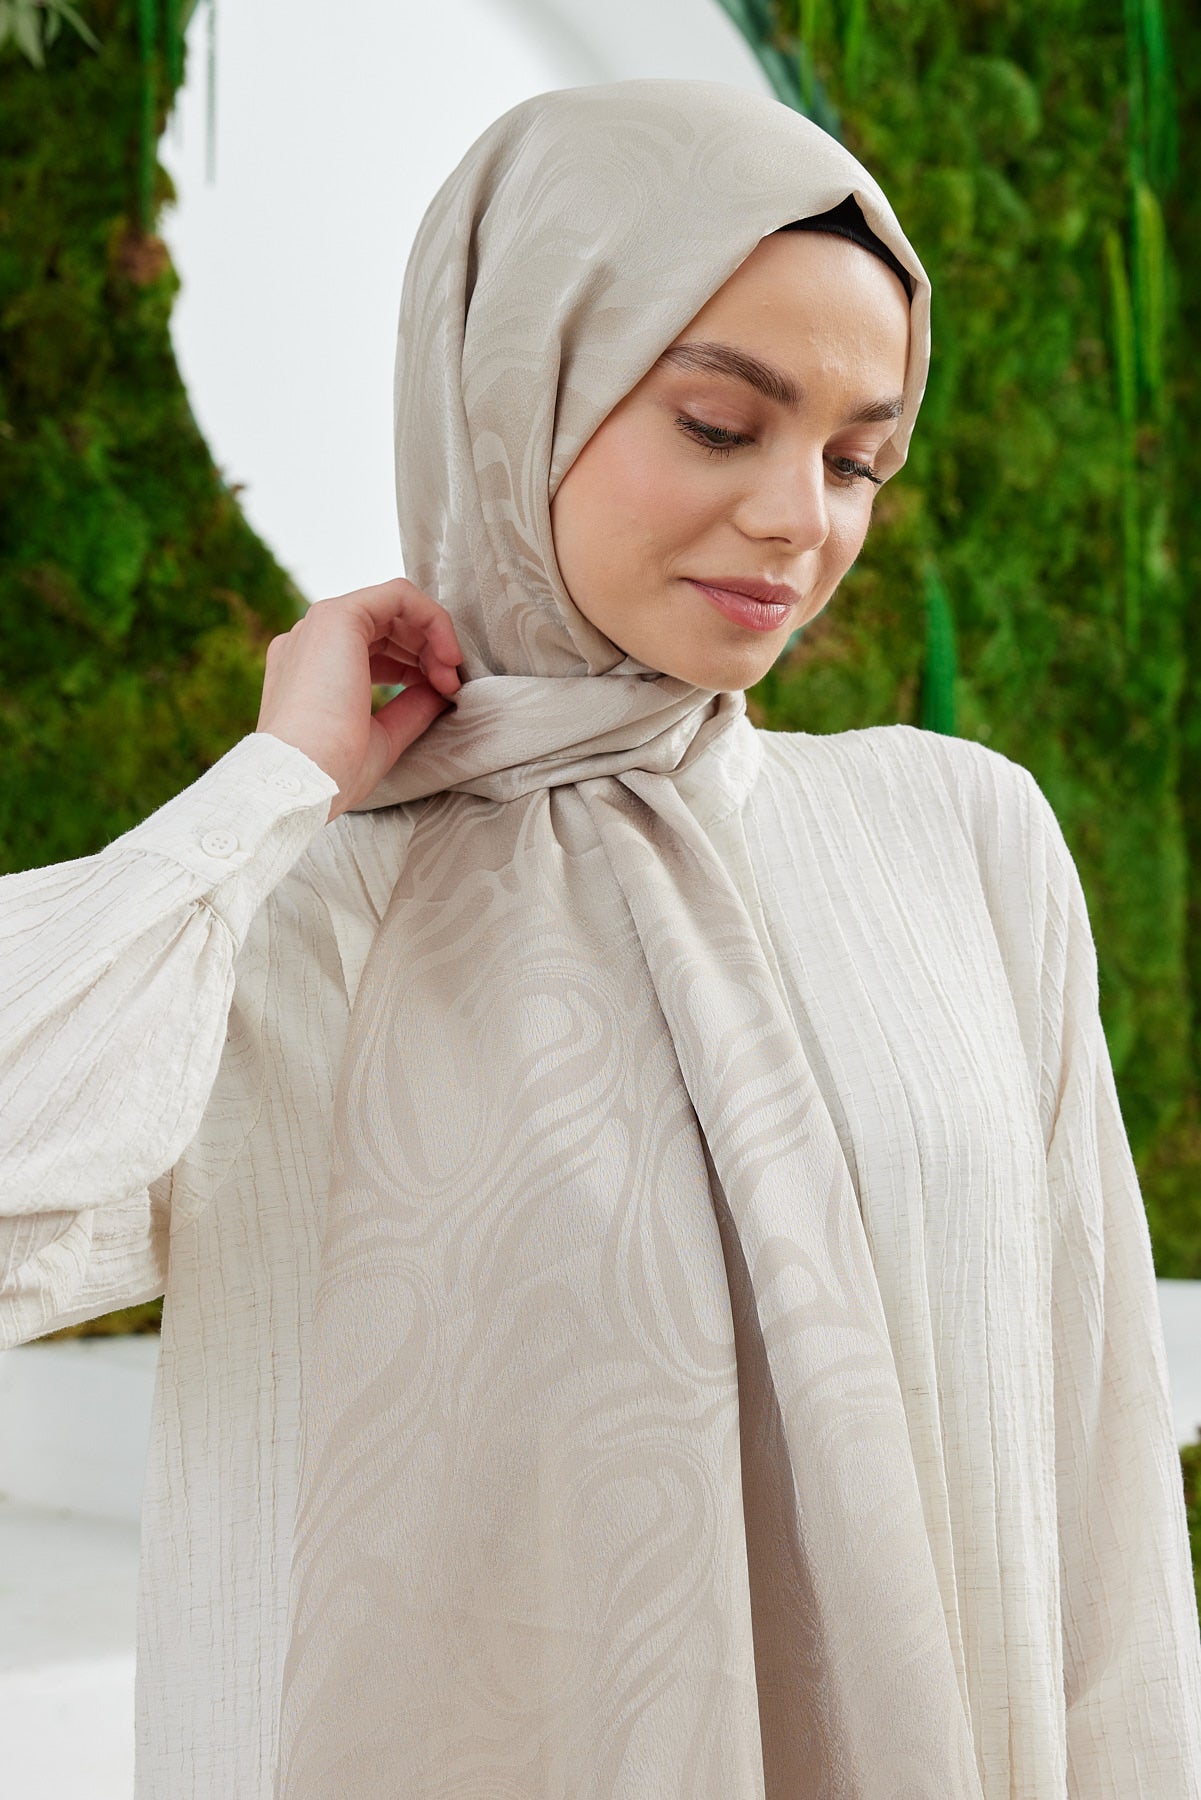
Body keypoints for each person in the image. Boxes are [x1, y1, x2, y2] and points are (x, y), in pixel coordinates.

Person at [2, 77, 1199, 1800]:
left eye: (856, 458)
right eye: (719, 424)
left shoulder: (959, 838)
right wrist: (267, 793)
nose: (799, 519)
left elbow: (1095, 1458)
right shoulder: (294, 908)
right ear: (514, 391)